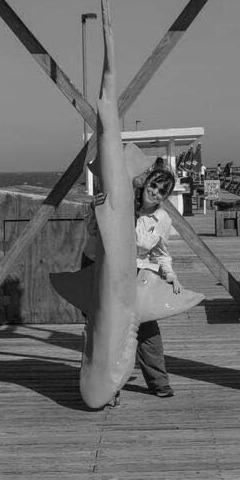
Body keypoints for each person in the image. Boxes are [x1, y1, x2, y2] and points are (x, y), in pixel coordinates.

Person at [82, 167, 181, 398]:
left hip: (135, 274)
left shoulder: (162, 219)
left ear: (166, 197)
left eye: (161, 191)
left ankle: (159, 381)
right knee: (98, 328)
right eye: (153, 185)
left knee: (147, 328)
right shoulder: (121, 202)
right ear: (146, 183)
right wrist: (94, 208)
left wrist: (170, 274)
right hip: (100, 267)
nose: (155, 192)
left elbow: (159, 252)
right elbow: (92, 231)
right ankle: (101, 385)